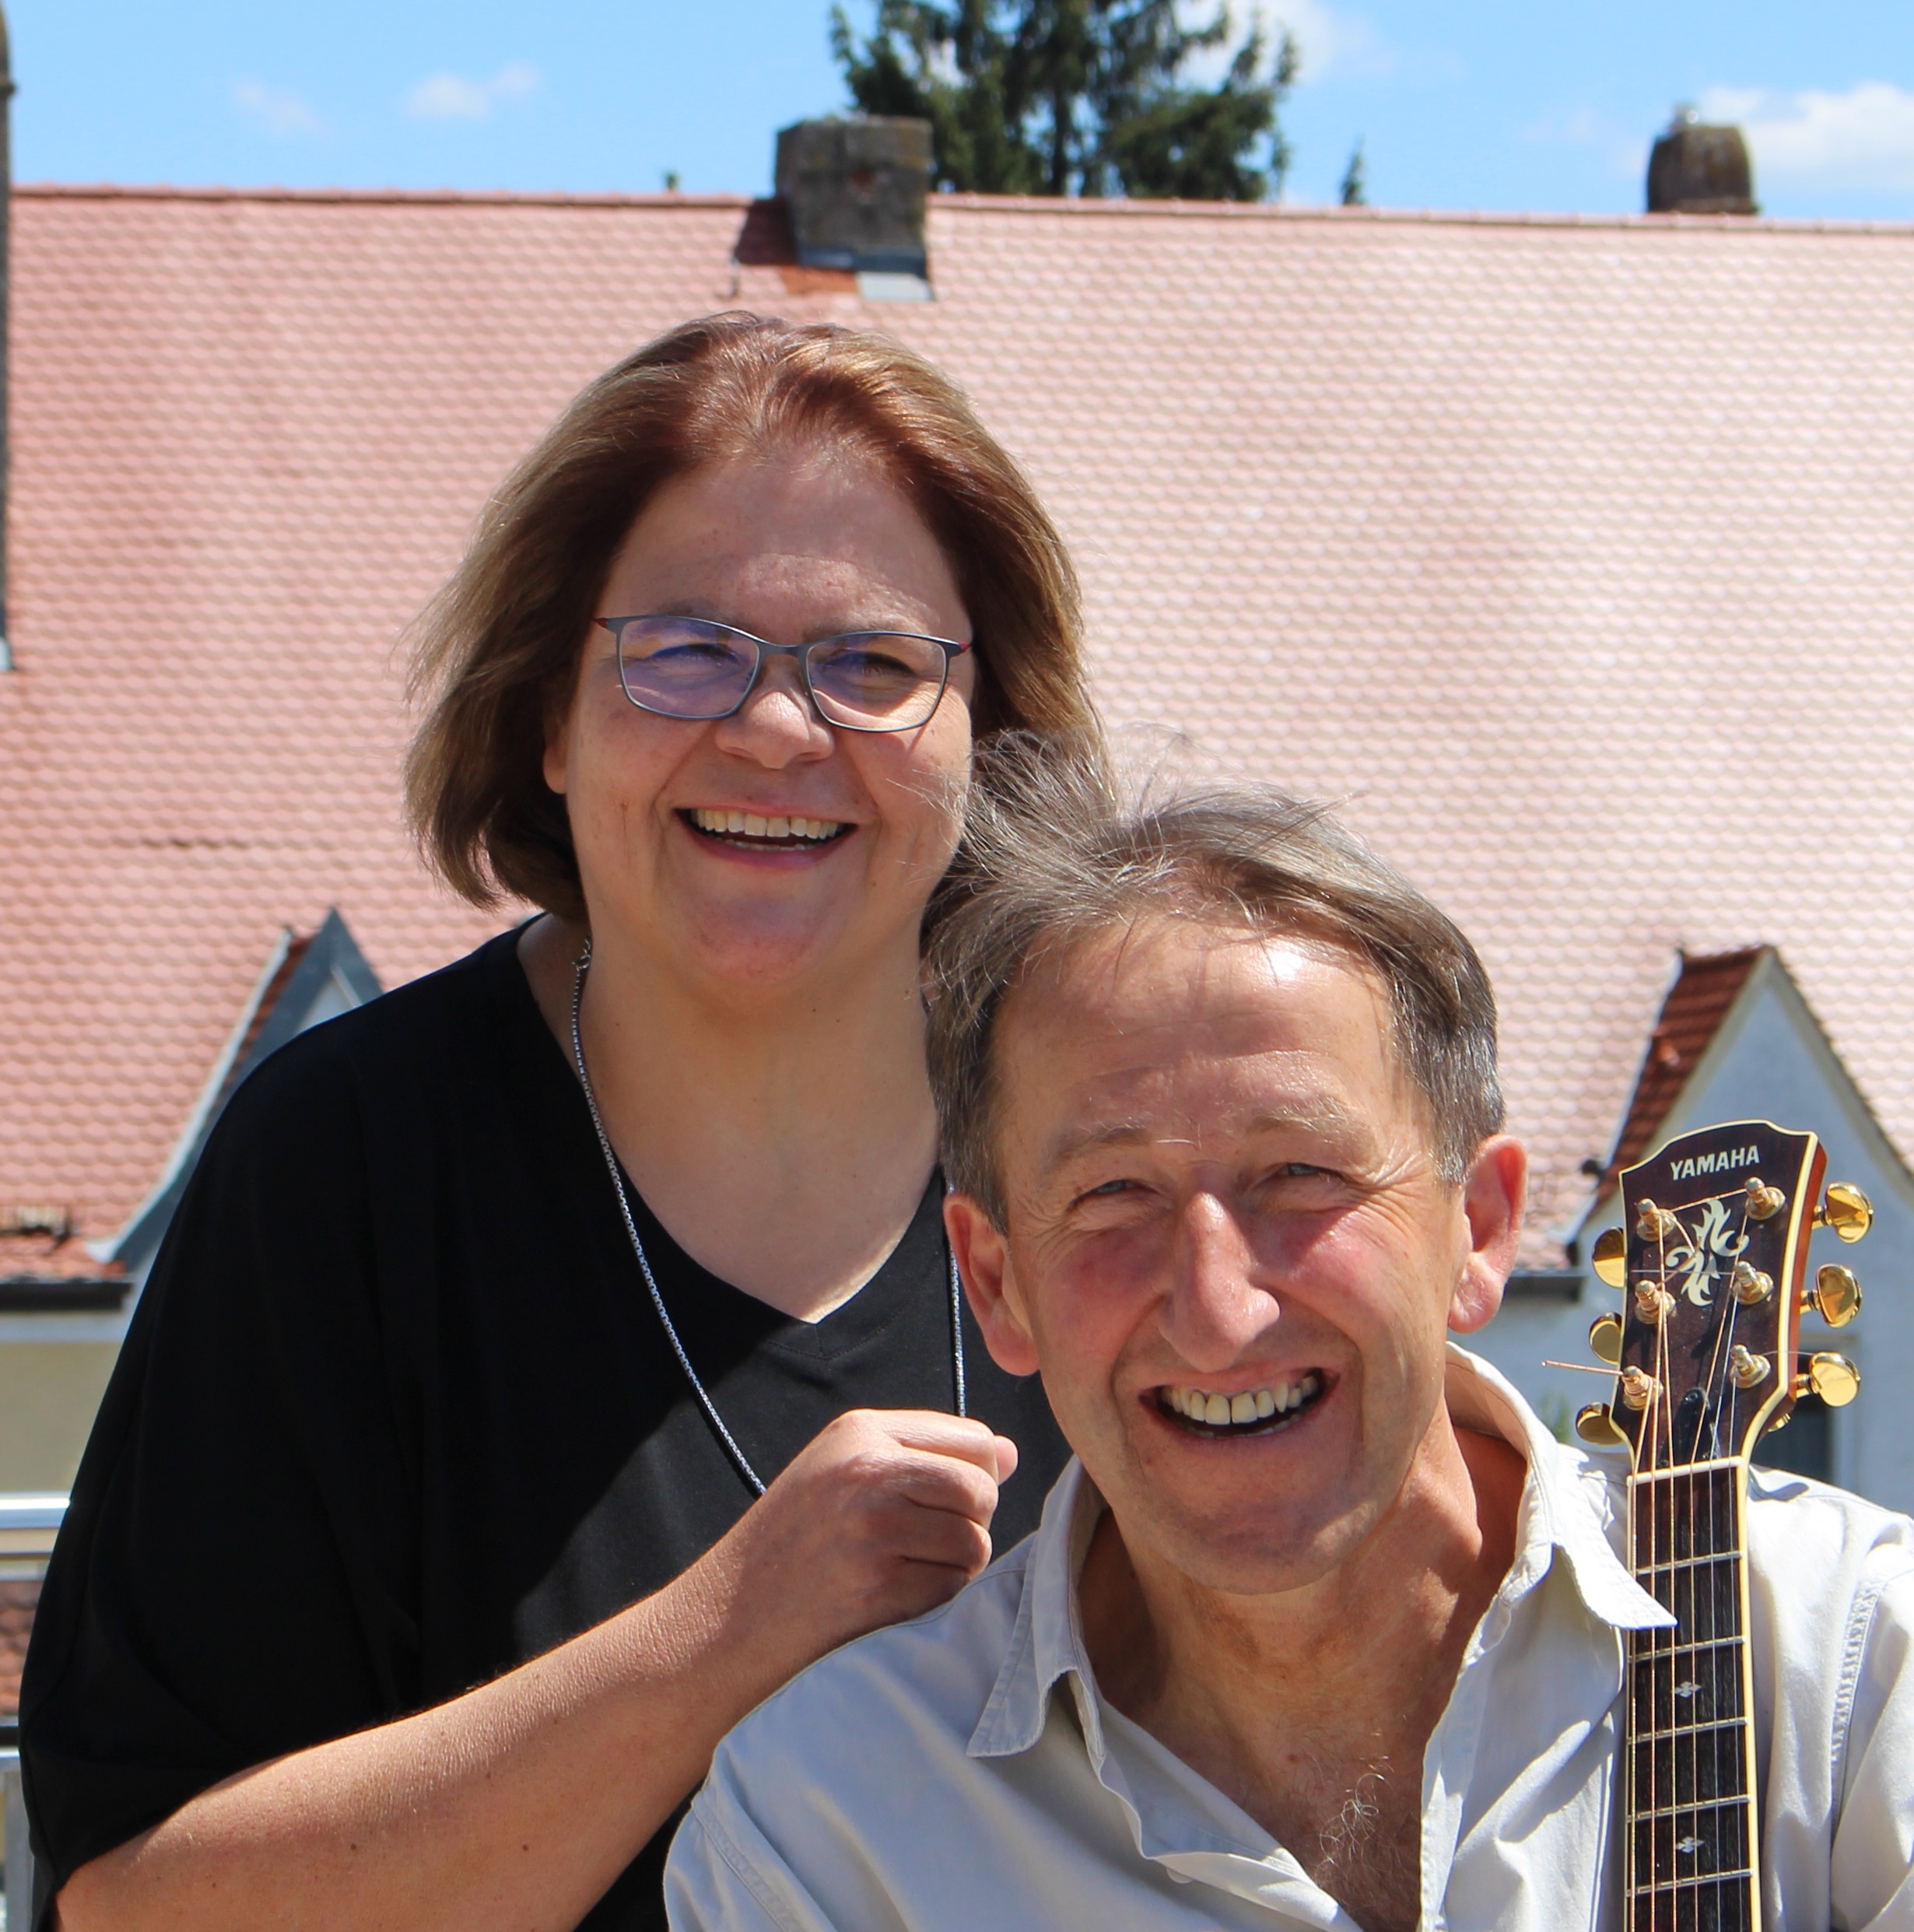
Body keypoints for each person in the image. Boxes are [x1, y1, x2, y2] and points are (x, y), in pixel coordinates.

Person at [21, 316, 1094, 1932]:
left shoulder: (1119, 1162)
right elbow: (127, 1905)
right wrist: (721, 1636)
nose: (777, 731)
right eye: (683, 651)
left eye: (872, 665)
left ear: (990, 744)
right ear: (547, 717)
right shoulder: (344, 1176)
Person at [666, 757, 1914, 1932]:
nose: (1219, 1309)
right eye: (1113, 1195)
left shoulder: (1858, 1666)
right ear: (998, 1284)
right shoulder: (830, 1835)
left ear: (1476, 1232)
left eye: (1301, 1176)